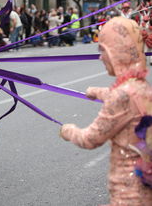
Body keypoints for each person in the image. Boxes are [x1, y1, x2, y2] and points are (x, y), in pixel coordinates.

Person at [60, 17, 152, 205]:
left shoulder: (121, 96)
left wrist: (67, 130)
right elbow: (124, 97)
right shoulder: (143, 87)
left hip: (128, 194)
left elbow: (90, 139)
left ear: (117, 52)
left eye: (103, 51)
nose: (100, 57)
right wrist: (95, 92)